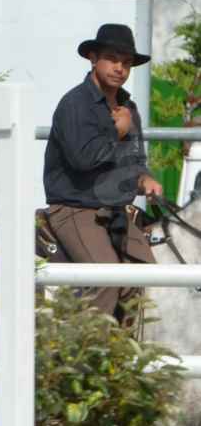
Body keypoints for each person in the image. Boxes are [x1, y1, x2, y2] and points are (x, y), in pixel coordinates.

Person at [43, 22, 162, 325]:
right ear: (93, 58)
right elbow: (83, 159)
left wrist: (144, 179)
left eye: (126, 63)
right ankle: (82, 364)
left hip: (114, 210)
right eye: (112, 59)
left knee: (147, 270)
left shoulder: (128, 107)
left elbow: (135, 160)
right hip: (74, 208)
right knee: (105, 278)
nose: (120, 68)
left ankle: (120, 357)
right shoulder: (75, 104)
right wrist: (116, 131)